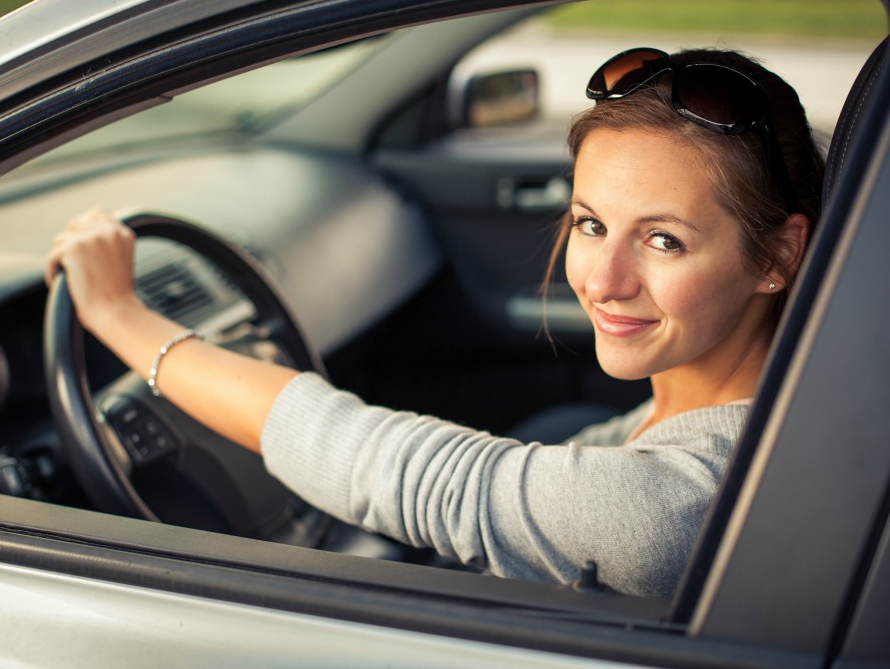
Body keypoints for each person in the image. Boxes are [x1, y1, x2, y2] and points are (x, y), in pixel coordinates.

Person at [46, 47, 825, 597]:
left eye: (664, 239)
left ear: (778, 256)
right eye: (590, 223)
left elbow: (387, 465)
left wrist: (121, 314)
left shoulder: (674, 503)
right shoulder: (747, 405)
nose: (604, 280)